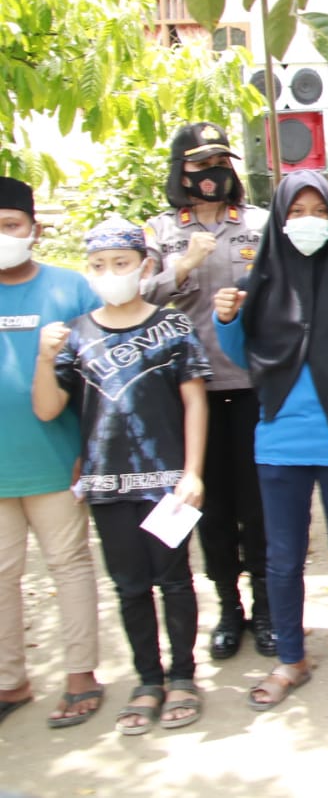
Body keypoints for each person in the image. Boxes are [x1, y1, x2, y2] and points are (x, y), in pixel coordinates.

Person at [213, 171, 328, 712]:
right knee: (282, 557)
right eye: (296, 212)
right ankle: (290, 658)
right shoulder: (258, 282)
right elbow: (245, 356)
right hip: (280, 440)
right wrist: (226, 319)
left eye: (318, 211)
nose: (308, 221)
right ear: (279, 219)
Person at [33, 218, 211, 734]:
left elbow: (195, 401)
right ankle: (147, 681)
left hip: (166, 484)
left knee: (174, 580)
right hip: (105, 486)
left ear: (144, 266)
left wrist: (193, 473)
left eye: (120, 263)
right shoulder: (76, 334)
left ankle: (183, 677)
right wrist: (44, 359)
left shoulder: (173, 326)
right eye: (99, 265)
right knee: (129, 586)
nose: (110, 273)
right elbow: (48, 408)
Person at [143, 121, 275, 661]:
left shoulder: (259, 224)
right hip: (191, 394)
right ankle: (229, 609)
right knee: (211, 509)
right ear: (181, 172)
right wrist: (184, 265)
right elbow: (138, 296)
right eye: (200, 165)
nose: (212, 174)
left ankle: (266, 609)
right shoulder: (159, 232)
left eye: (221, 163)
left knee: (258, 507)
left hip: (252, 386)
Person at [0, 176, 104, 729]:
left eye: (10, 225)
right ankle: (10, 681)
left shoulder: (71, 289)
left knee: (70, 566)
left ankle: (81, 674)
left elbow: (101, 377)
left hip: (58, 460)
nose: (2, 237)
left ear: (33, 230)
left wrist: (91, 447)